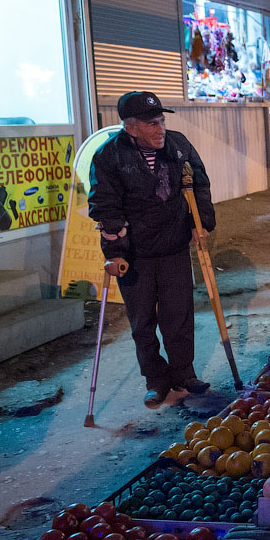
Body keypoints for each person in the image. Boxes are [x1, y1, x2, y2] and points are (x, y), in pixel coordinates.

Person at [88, 91, 215, 409]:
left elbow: (198, 183)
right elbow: (105, 204)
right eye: (151, 124)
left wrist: (202, 223)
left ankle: (184, 374)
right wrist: (114, 250)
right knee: (143, 322)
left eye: (161, 121)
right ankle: (156, 381)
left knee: (178, 315)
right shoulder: (109, 157)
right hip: (135, 253)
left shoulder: (179, 145)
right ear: (131, 128)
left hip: (173, 245)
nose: (160, 129)